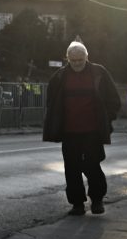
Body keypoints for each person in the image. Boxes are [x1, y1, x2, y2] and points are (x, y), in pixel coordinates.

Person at [43, 41, 122, 216]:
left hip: (93, 130)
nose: (77, 63)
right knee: (71, 168)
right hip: (69, 132)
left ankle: (97, 199)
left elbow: (113, 99)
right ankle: (77, 203)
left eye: (80, 59)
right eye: (73, 60)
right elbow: (52, 102)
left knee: (92, 164)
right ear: (67, 59)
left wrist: (107, 119)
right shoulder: (59, 76)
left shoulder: (99, 72)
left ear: (87, 57)